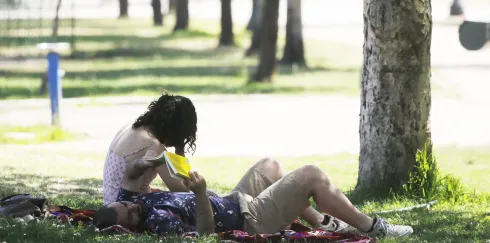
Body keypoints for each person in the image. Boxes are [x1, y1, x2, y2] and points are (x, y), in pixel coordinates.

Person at [94, 157, 413, 238]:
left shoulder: (136, 202)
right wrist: (201, 193)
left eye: (126, 205)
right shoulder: (157, 222)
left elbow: (132, 175)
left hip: (235, 199)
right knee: (310, 175)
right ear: (130, 228)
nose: (133, 208)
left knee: (270, 165)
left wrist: (153, 162)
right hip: (250, 219)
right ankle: (373, 227)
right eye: (130, 216)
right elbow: (206, 233)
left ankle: (321, 220)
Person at [102, 92, 198, 205]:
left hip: (110, 203)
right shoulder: (153, 146)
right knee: (204, 197)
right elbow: (183, 190)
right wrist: (180, 150)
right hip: (128, 208)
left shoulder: (132, 127)